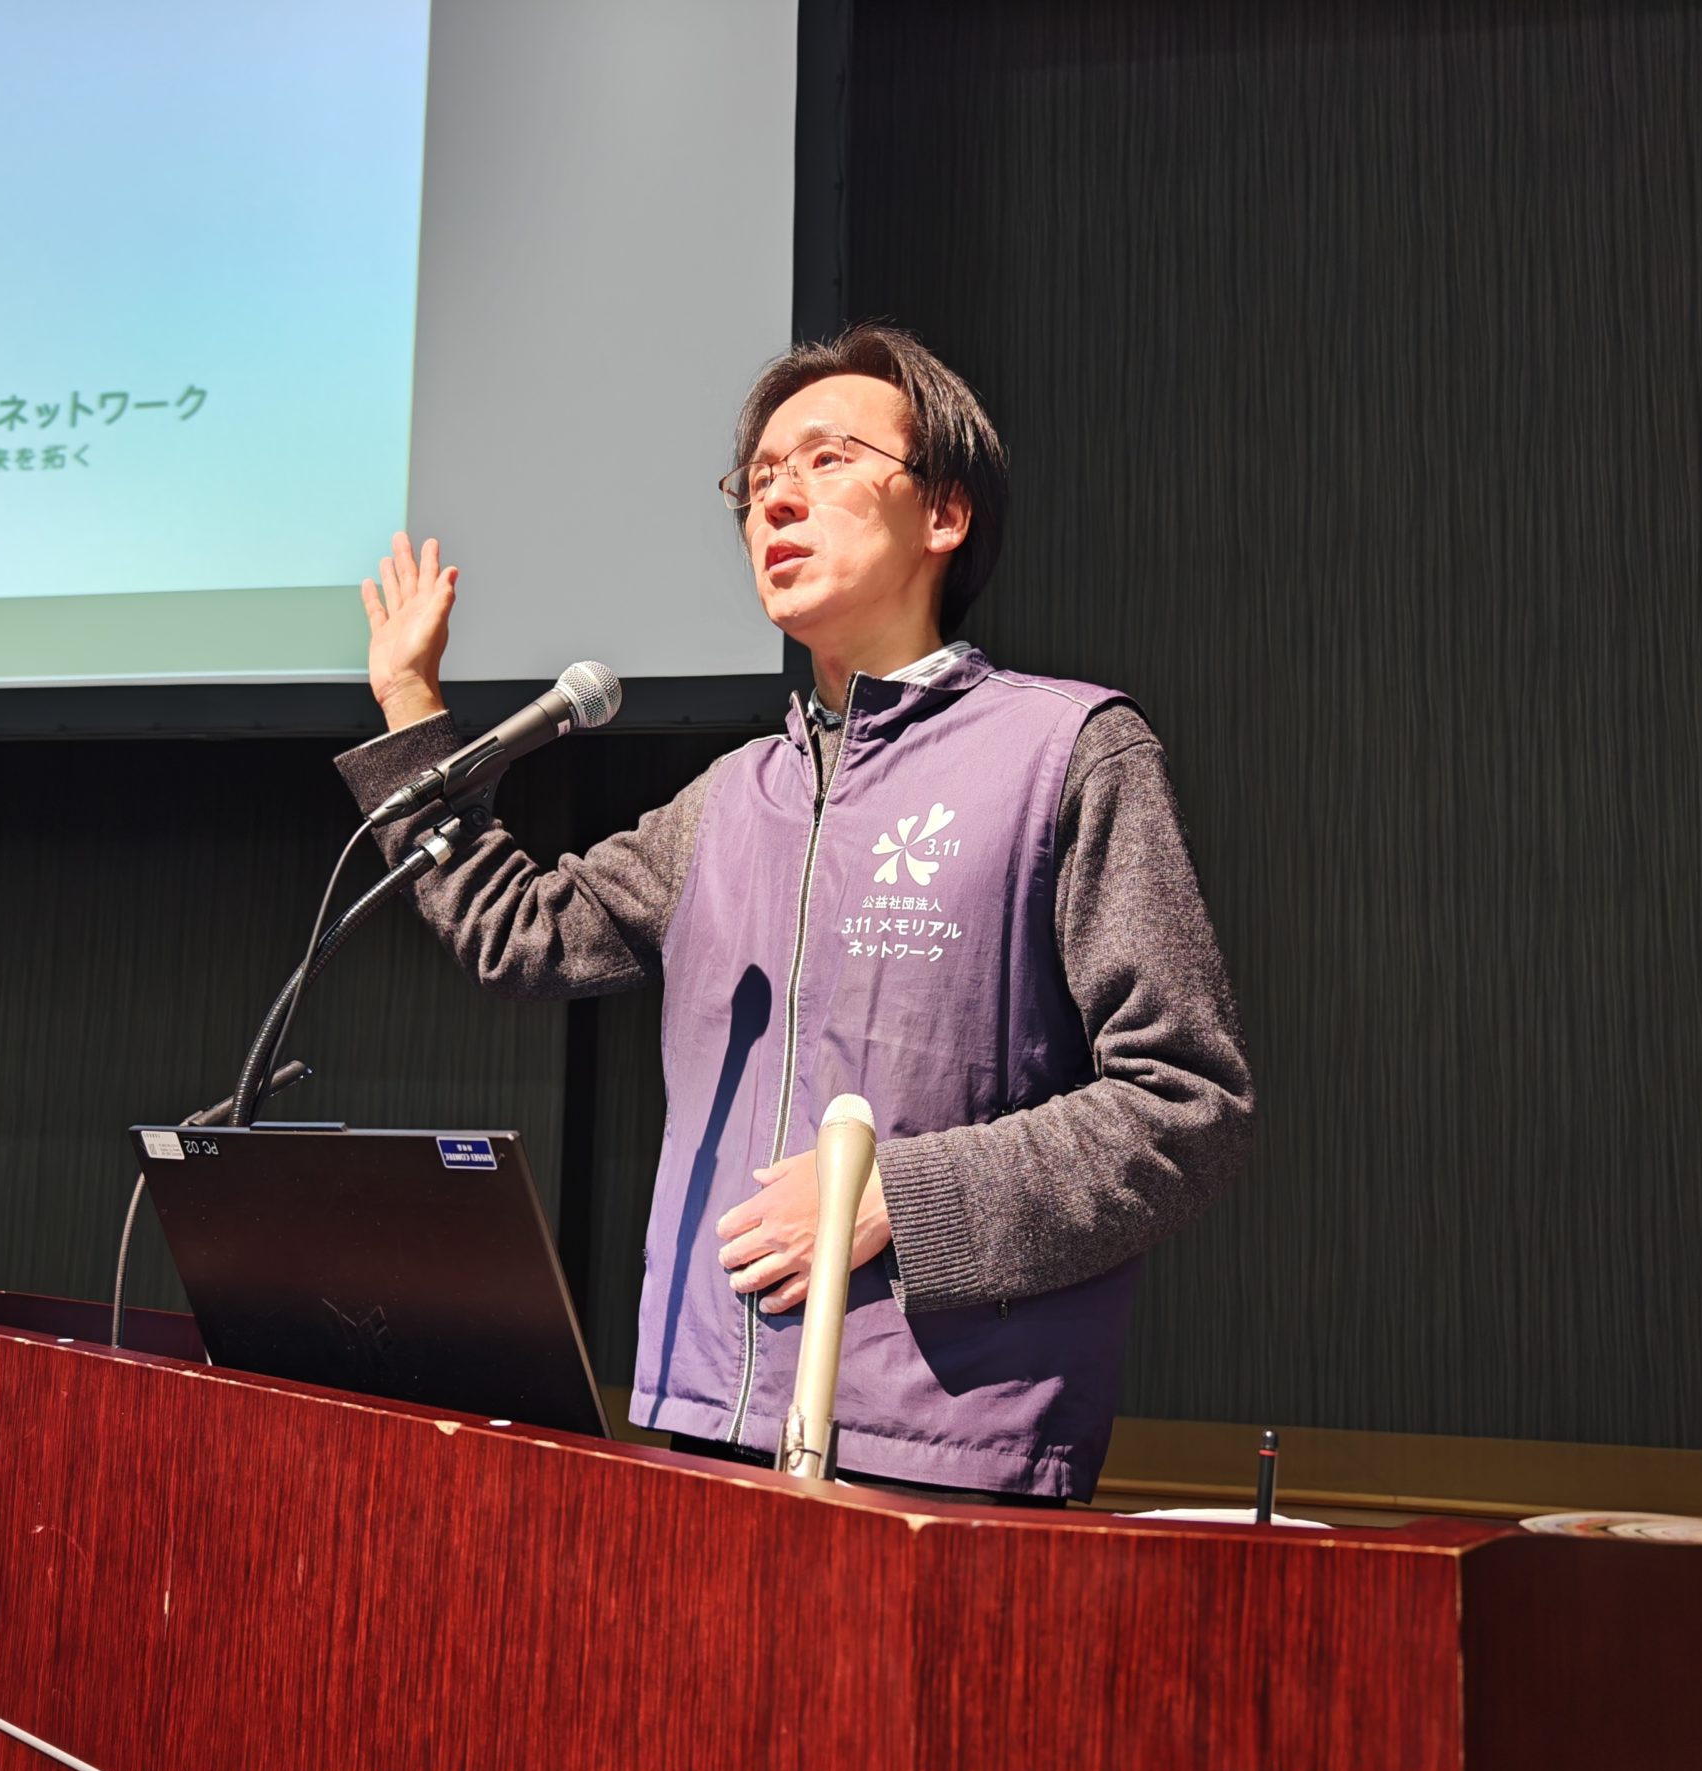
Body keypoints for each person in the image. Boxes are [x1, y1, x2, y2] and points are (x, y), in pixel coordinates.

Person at [336, 324, 1253, 1503]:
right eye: (759, 477)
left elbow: (1187, 1106)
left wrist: (901, 1196)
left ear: (944, 514)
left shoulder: (1066, 750)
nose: (775, 499)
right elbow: (519, 934)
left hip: (939, 1449)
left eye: (827, 460)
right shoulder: (729, 800)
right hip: (702, 1426)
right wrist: (410, 704)